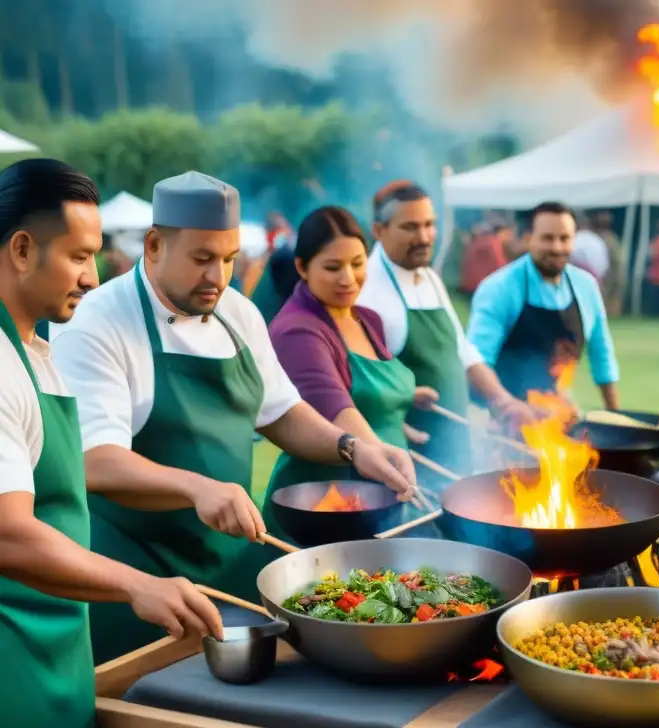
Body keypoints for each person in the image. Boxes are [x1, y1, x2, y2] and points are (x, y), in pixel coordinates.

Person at [50, 171, 415, 664]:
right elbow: (96, 461)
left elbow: (282, 412)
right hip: (142, 576)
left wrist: (352, 448)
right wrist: (198, 487)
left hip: (232, 564)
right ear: (154, 245)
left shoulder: (236, 312)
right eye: (202, 259)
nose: (218, 277)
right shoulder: (99, 321)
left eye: (228, 259)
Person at [0, 159, 223, 728]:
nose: (93, 278)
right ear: (22, 249)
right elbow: (8, 534)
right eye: (78, 256)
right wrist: (136, 584)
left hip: (59, 648)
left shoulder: (35, 352)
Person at [263, 206, 432, 521]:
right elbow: (335, 409)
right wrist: (386, 462)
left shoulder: (367, 319)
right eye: (332, 267)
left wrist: (402, 399)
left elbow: (366, 390)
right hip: (328, 502)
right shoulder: (297, 331)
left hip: (385, 489)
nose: (348, 278)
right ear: (302, 267)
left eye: (357, 264)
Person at [357, 181, 533, 483]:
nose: (424, 237)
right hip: (408, 461)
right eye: (410, 227)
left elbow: (462, 351)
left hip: (454, 449)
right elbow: (361, 391)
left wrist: (501, 399)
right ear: (379, 230)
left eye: (429, 225)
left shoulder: (429, 278)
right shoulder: (366, 293)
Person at [467, 201, 620, 410]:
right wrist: (504, 404)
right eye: (547, 238)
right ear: (529, 238)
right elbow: (476, 360)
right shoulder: (499, 287)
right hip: (501, 414)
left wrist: (615, 416)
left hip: (554, 413)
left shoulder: (585, 286)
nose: (557, 248)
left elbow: (601, 353)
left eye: (564, 238)